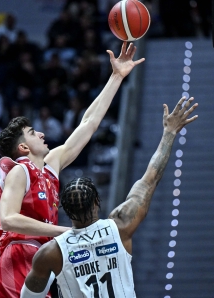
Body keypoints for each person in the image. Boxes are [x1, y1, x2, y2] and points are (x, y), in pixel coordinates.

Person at [0, 42, 144, 298]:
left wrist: (116, 77)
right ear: (23, 148)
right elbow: (8, 219)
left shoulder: (52, 164)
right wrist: (65, 232)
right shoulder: (20, 171)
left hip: (45, 258)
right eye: (32, 133)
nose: (41, 133)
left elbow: (88, 123)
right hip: (19, 256)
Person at [21, 96, 198, 297]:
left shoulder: (51, 252)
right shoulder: (121, 226)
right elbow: (149, 179)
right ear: (97, 202)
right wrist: (169, 133)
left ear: (65, 209)